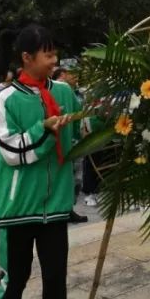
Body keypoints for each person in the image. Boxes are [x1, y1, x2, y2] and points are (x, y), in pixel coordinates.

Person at [0, 24, 78, 299]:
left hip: (56, 205)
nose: (54, 60)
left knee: (56, 279)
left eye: (55, 53)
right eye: (48, 54)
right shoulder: (6, 98)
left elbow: (84, 125)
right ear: (27, 58)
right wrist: (45, 131)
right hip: (17, 205)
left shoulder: (64, 92)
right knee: (18, 271)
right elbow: (11, 152)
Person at [55, 60, 88, 225]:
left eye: (77, 72)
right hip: (62, 142)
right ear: (63, 73)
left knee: (77, 179)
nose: (76, 75)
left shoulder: (79, 93)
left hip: (77, 142)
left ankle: (69, 208)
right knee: (63, 177)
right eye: (72, 72)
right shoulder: (56, 90)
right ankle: (61, 209)